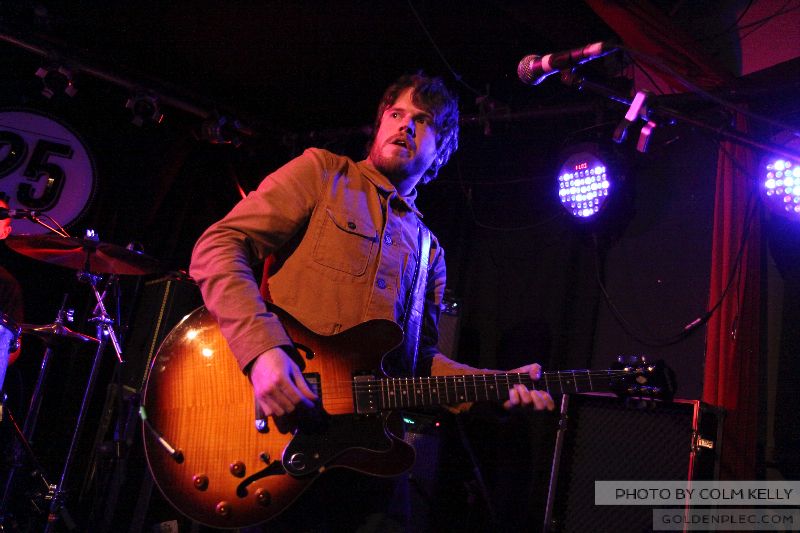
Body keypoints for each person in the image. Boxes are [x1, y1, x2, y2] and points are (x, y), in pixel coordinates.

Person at [190, 73, 554, 531]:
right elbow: (218, 245)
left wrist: (494, 386)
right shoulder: (323, 173)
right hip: (274, 433)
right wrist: (262, 351)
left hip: (367, 459)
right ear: (379, 124)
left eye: (422, 122)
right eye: (396, 114)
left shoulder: (430, 251)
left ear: (441, 149)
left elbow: (418, 364)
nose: (404, 126)